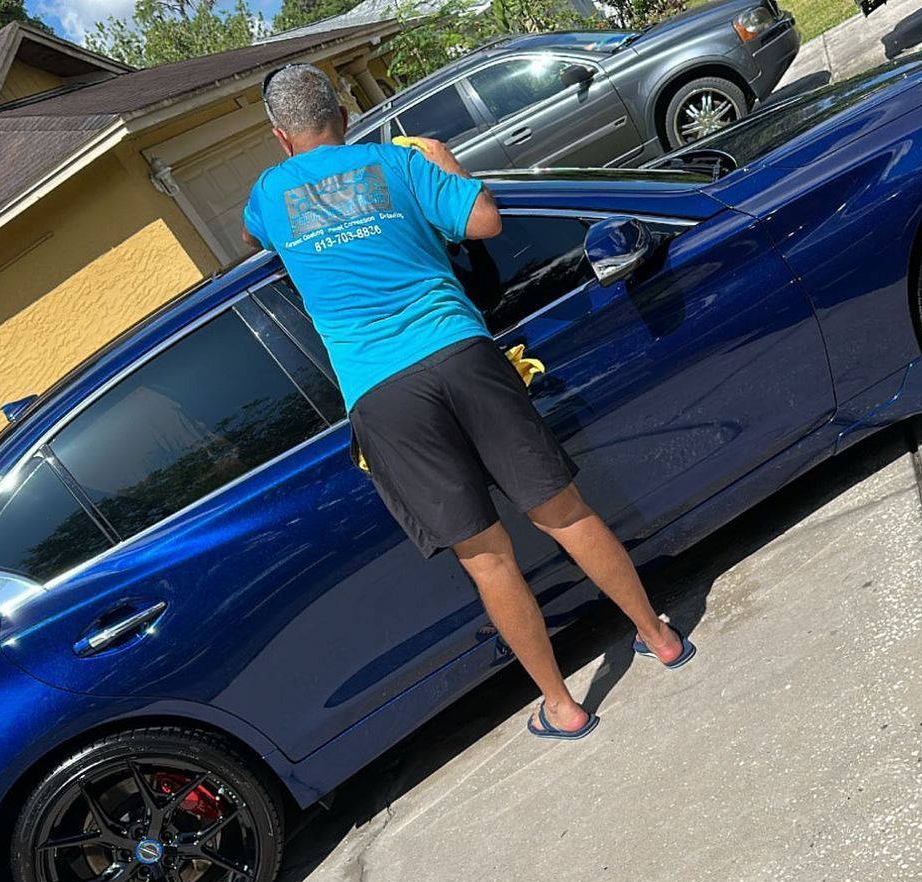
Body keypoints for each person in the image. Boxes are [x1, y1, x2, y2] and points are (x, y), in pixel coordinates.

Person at [242, 64, 694, 741]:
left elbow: (257, 239)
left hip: (382, 393)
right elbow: (484, 220)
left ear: (281, 136)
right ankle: (658, 637)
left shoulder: (269, 193)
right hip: (458, 349)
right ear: (343, 113)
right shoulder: (398, 161)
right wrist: (445, 163)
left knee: (487, 558)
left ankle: (563, 706)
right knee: (564, 513)